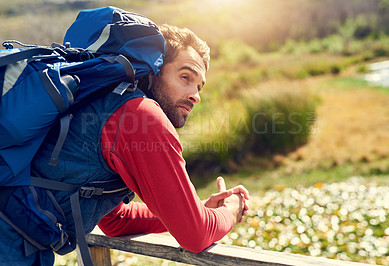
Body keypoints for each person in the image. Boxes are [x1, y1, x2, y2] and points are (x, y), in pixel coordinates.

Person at [0, 24, 249, 265]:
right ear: (154, 70)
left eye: (199, 86)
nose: (196, 95)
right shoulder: (141, 116)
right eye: (186, 77)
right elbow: (195, 235)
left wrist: (197, 209)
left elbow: (116, 220)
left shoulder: (101, 101)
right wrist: (231, 209)